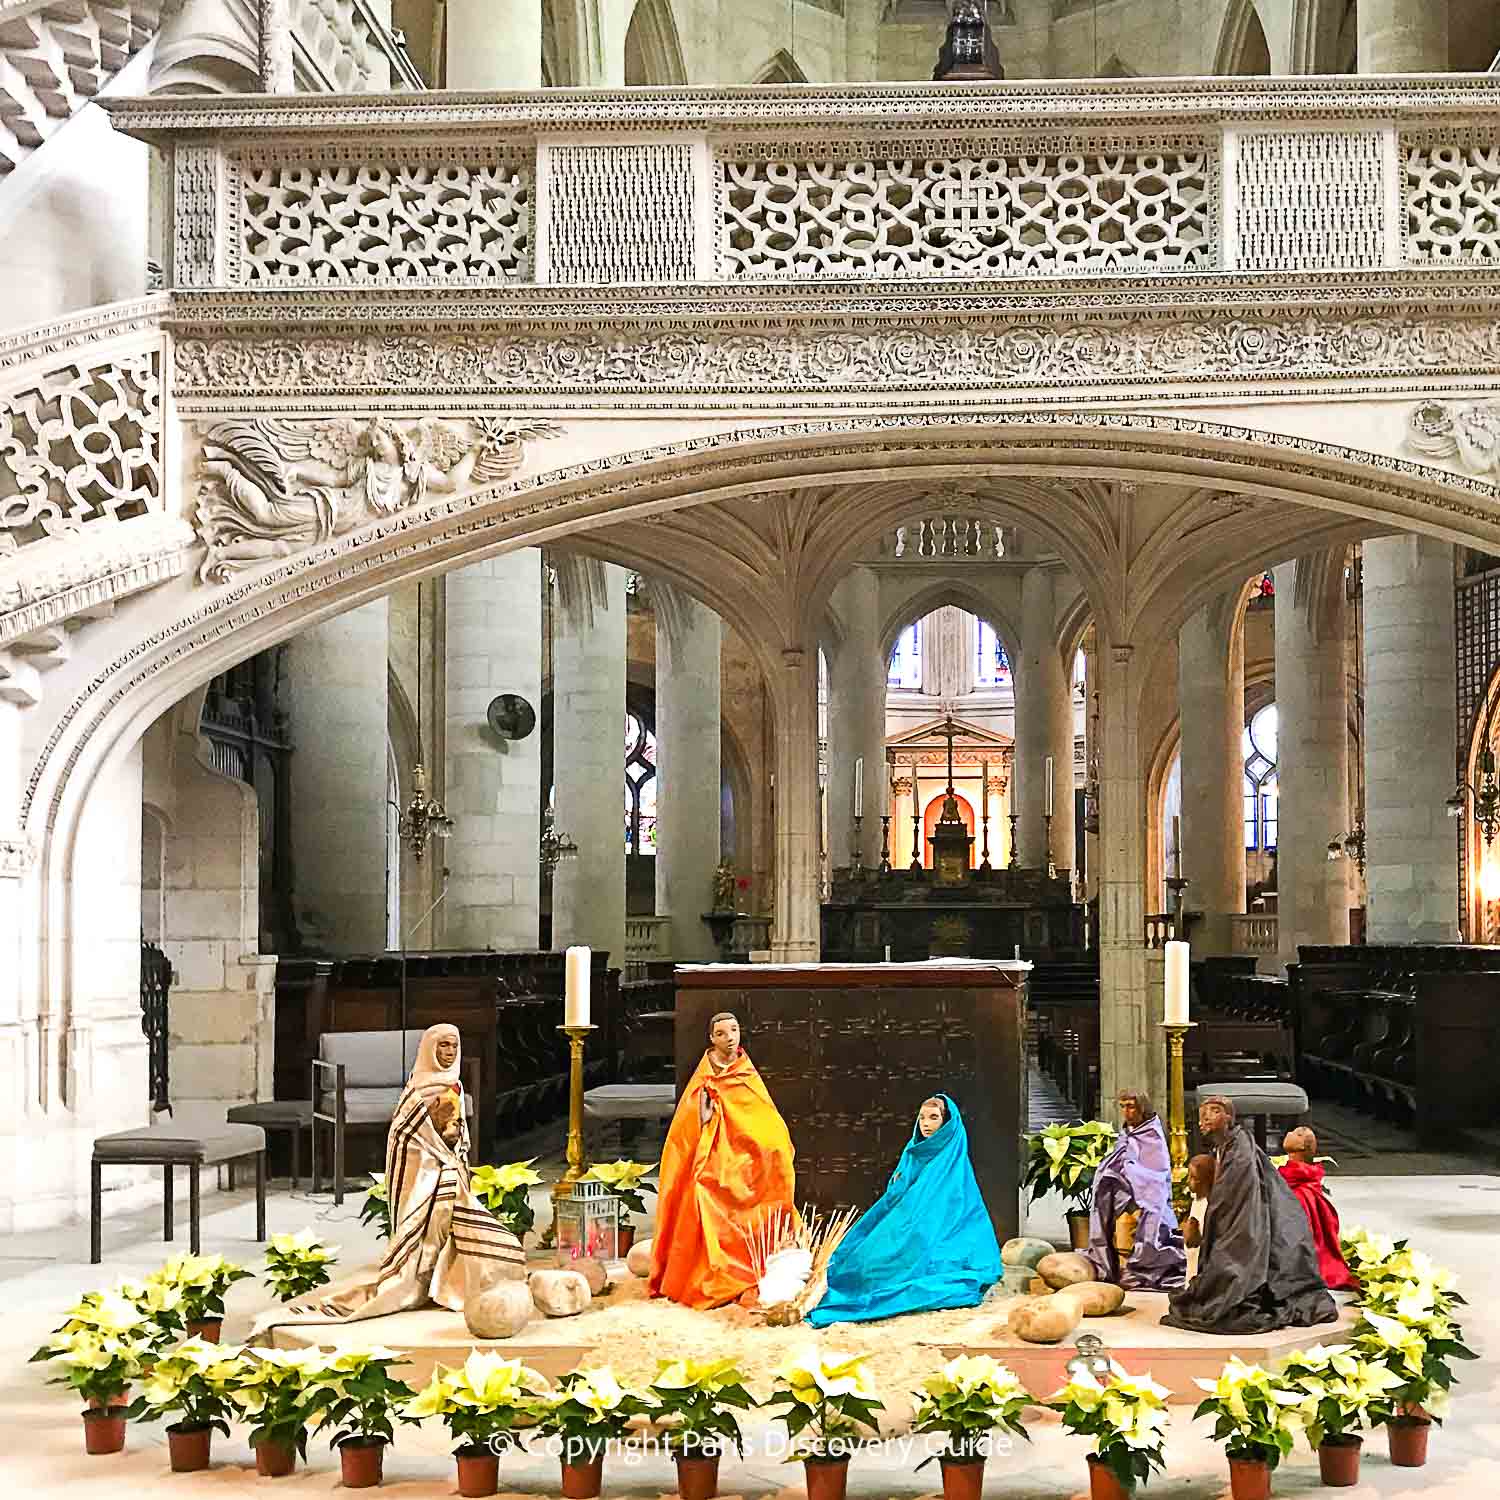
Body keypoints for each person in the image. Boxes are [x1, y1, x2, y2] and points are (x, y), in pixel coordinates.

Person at [256, 1024, 523, 1329]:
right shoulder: (418, 1090)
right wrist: (439, 1149)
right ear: (429, 1049)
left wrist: (454, 1145)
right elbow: (405, 1136)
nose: (449, 1053)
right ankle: (417, 1279)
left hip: (448, 1167)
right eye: (442, 1046)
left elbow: (458, 1135)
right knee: (432, 1216)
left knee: (456, 1218)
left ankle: (445, 1279)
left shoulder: (455, 1086)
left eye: (453, 1046)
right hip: (421, 1171)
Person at [806, 1094, 1000, 1326]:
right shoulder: (914, 1152)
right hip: (900, 1223)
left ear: (947, 1123)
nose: (926, 1124)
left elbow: (945, 1210)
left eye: (934, 1118)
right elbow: (896, 1196)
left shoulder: (951, 1161)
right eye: (922, 1118)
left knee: (901, 1265)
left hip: (931, 1234)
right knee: (862, 1262)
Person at [649, 1011, 797, 1309]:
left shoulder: (744, 1070)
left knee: (777, 1152)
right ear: (711, 1038)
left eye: (734, 1030)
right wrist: (708, 1113)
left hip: (746, 1147)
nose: (730, 1038)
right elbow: (691, 1122)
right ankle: (716, 1267)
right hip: (714, 1147)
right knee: (706, 1183)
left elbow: (760, 1112)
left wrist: (767, 1142)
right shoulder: (706, 1074)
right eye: (722, 1033)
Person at [1162, 1095, 1337, 1334]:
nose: (1204, 1117)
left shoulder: (1240, 1148)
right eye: (1203, 1112)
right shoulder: (1224, 1146)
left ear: (1228, 1117)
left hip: (1251, 1228)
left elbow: (1241, 1203)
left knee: (1228, 1277)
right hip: (1234, 1223)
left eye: (1213, 1111)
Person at [1083, 1089, 1186, 1290]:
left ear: (1142, 1108)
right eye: (1122, 1107)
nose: (1126, 1112)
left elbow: (1155, 1173)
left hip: (1148, 1191)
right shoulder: (1127, 1132)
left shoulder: (1151, 1134)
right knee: (1103, 1201)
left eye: (1130, 1106)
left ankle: (1143, 1267)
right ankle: (1114, 1265)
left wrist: (1135, 1180)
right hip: (1123, 1189)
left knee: (1152, 1213)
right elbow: (1118, 1162)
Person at [1277, 1127, 1356, 1291]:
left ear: (1302, 1147)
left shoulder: (1302, 1191)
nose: (1289, 1134)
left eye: (1297, 1134)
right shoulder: (1287, 1173)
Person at [1182, 1154, 1216, 1280]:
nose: (1188, 1181)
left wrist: (1193, 1233)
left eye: (1194, 1178)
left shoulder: (1210, 1205)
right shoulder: (1196, 1201)